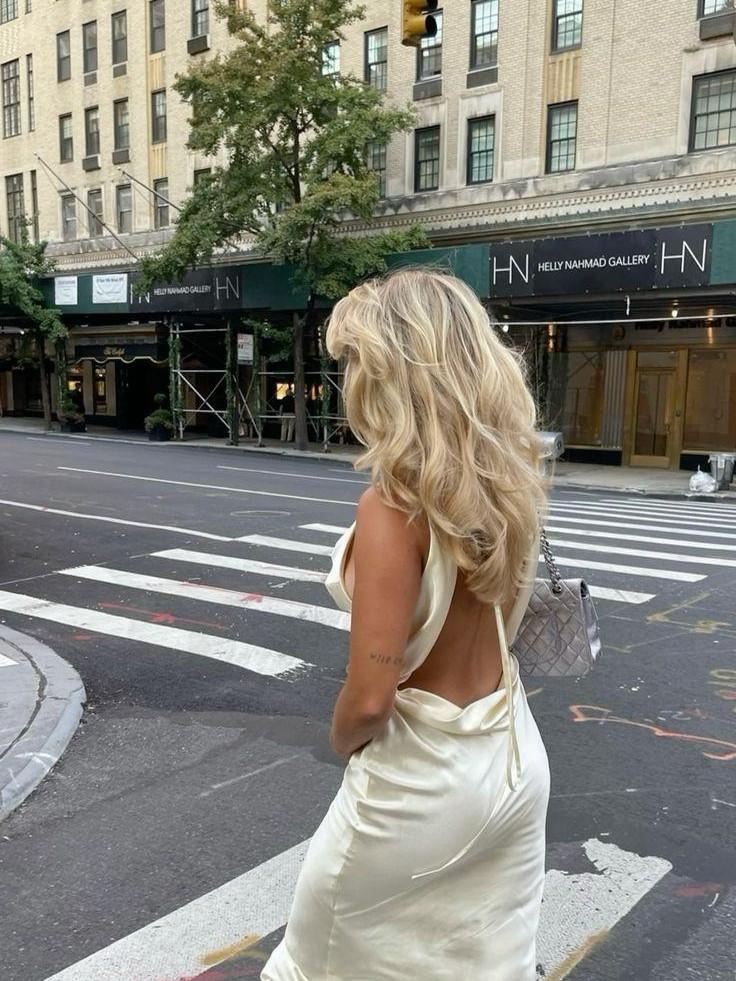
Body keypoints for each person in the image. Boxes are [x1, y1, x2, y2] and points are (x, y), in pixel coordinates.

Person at [261, 269, 550, 981]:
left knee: (318, 962)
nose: (348, 381)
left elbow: (369, 700)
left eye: (355, 362)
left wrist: (342, 741)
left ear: (393, 374)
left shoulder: (393, 507)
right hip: (511, 758)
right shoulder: (510, 485)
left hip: (417, 787)